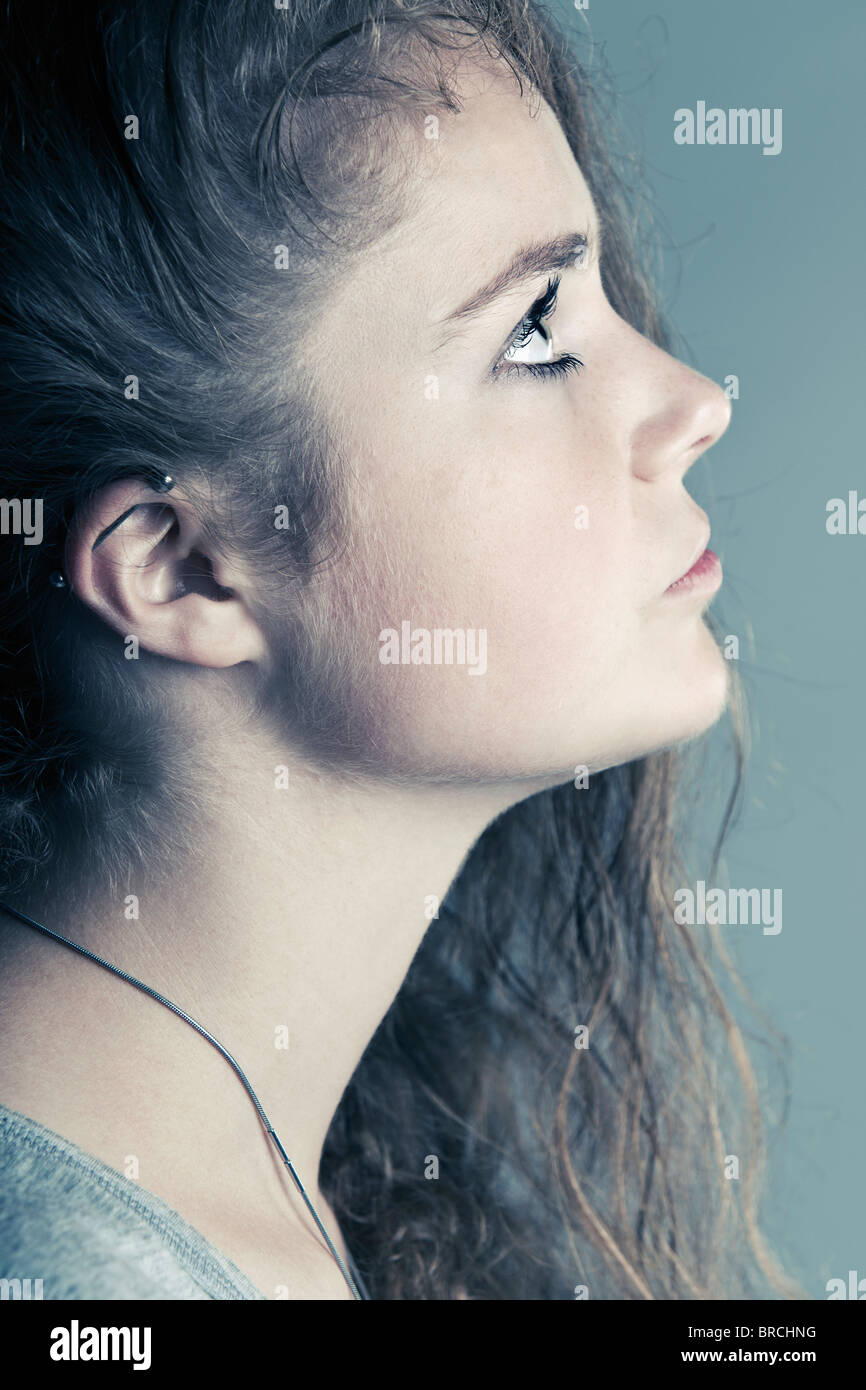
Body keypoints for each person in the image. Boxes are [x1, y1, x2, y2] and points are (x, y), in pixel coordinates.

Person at [0, 0, 794, 1300]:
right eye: (533, 334)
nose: (694, 404)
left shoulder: (279, 1175)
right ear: (179, 567)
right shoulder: (70, 1276)